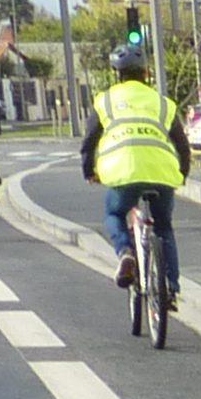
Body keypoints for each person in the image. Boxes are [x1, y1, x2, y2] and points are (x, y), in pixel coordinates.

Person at [78, 39, 188, 300]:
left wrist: (89, 171)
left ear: (117, 75)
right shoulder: (164, 103)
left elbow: (90, 139)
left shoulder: (105, 101)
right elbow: (182, 144)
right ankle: (170, 287)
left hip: (122, 171)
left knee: (114, 213)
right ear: (146, 74)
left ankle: (125, 252)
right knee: (163, 226)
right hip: (161, 171)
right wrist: (182, 173)